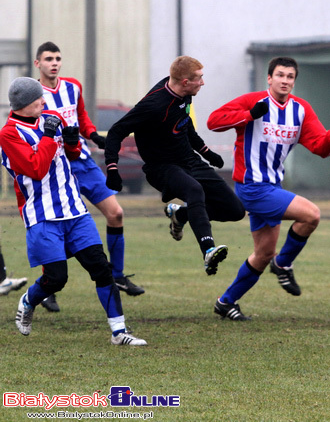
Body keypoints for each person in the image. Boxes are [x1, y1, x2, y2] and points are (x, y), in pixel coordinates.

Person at [0, 77, 146, 345]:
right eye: (38, 100)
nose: (44, 102)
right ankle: (28, 300)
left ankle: (119, 332)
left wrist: (71, 142)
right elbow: (35, 168)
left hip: (75, 210)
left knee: (101, 269)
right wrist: (47, 136)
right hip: (42, 215)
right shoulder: (9, 134)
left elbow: (73, 153)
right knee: (56, 279)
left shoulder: (51, 116)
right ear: (23, 105)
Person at [207, 56, 330, 320]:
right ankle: (283, 265)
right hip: (252, 187)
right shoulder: (253, 102)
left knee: (262, 254)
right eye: (280, 75)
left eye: (290, 77)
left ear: (294, 81)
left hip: (273, 186)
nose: (285, 80)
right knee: (311, 214)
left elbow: (321, 148)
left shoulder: (301, 109)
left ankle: (226, 302)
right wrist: (248, 115)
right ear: (269, 78)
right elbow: (214, 121)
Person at [104, 55, 245, 275]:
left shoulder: (185, 94)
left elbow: (185, 126)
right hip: (161, 168)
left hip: (189, 161)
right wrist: (112, 168)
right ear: (185, 81)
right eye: (199, 78)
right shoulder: (153, 105)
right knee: (194, 190)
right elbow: (115, 132)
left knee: (235, 210)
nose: (203, 83)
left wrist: (207, 153)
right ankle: (208, 250)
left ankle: (181, 215)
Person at [34, 41, 143, 314]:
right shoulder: (34, 94)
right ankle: (49, 288)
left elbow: (81, 117)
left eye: (58, 57)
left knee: (116, 213)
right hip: (54, 167)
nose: (54, 62)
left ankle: (117, 275)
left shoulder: (72, 86)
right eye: (49, 58)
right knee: (56, 224)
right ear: (38, 63)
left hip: (81, 161)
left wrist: (93, 135)